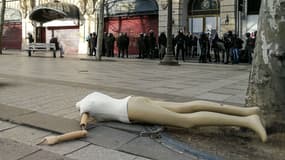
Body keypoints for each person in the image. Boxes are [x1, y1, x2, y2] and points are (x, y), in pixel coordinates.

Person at [75, 92, 267, 142]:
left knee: (187, 122)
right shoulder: (92, 96)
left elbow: (83, 121)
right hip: (133, 101)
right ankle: (246, 111)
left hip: (131, 110)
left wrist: (84, 120)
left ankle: (247, 121)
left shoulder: (85, 106)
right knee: (188, 107)